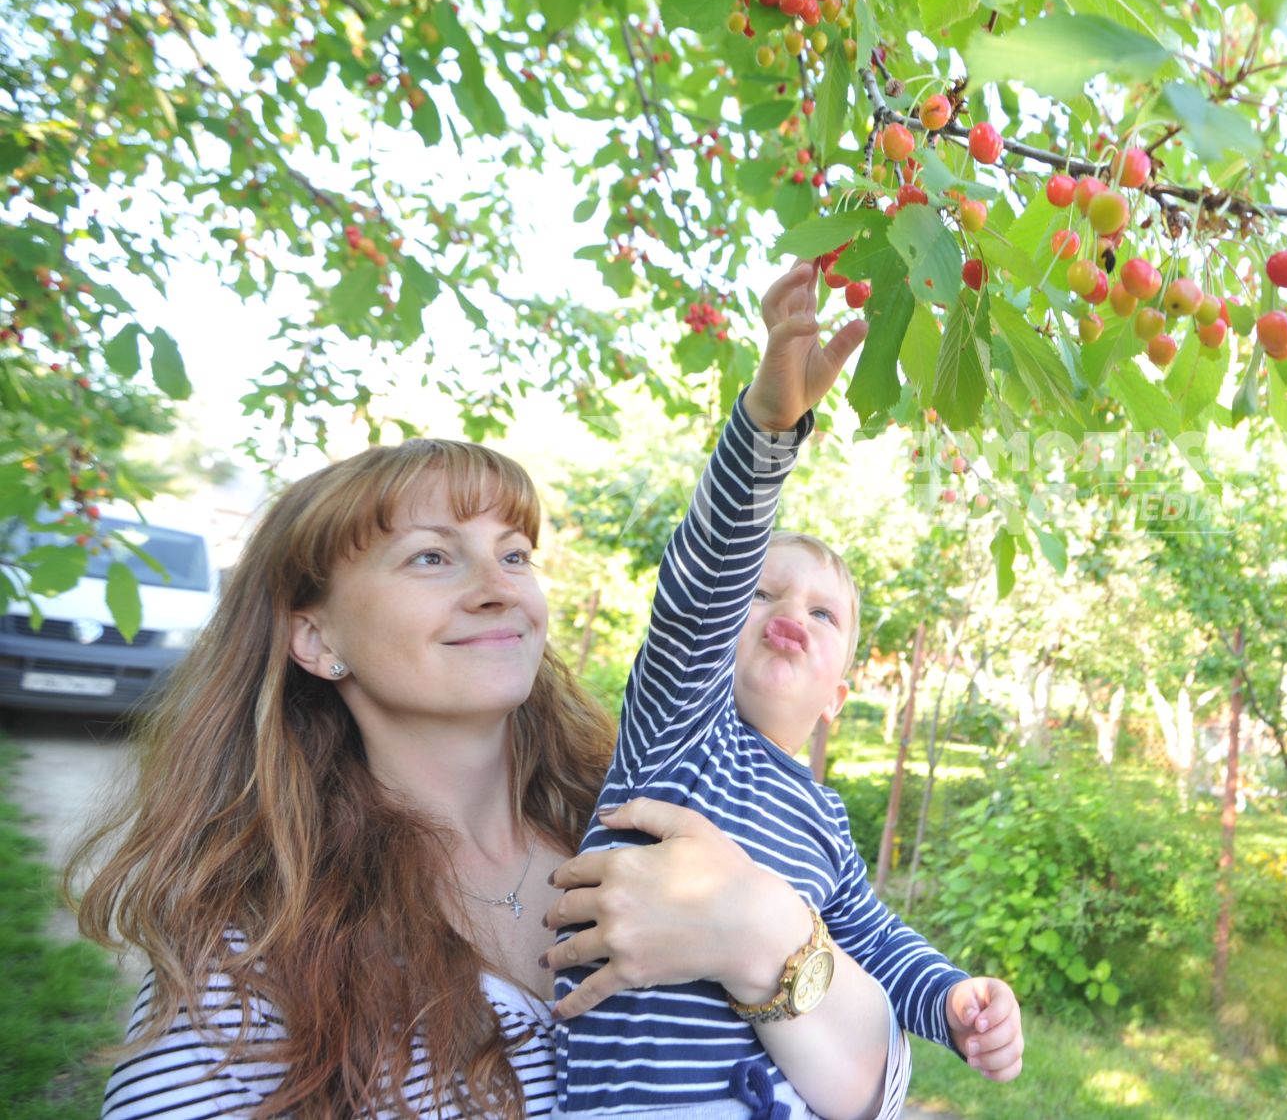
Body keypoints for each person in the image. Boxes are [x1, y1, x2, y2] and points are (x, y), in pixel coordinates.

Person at [70, 258, 907, 1120]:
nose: (498, 585)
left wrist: (765, 935)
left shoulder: (647, 811)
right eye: (432, 556)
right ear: (316, 637)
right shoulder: (252, 962)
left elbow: (876, 1088)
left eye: (514, 554)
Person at [550, 272, 1025, 1117]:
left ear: (838, 695)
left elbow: (874, 944)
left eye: (822, 611)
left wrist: (954, 1000)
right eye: (762, 596)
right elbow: (700, 592)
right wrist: (767, 433)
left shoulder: (824, 821)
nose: (788, 616)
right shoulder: (678, 732)